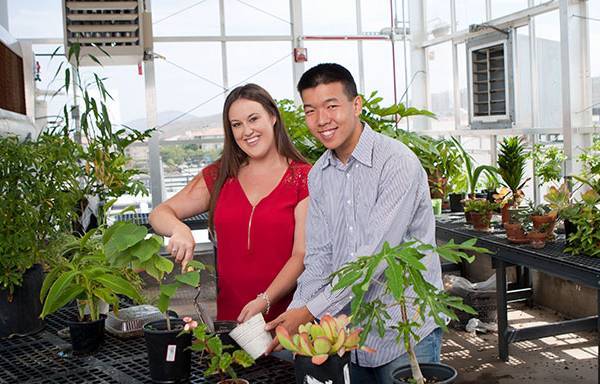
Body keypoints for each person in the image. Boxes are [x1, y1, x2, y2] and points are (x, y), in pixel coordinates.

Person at [264, 63, 443, 383]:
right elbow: (319, 256)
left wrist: (309, 312)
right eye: (310, 110)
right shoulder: (319, 175)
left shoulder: (396, 163)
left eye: (331, 106)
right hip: (348, 337)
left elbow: (373, 257)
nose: (321, 120)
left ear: (356, 105)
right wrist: (297, 312)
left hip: (404, 331)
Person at [149, 84, 311, 324]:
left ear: (273, 117)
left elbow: (301, 254)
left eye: (253, 119)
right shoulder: (220, 175)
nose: (247, 131)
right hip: (231, 320)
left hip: (286, 319)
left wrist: (265, 300)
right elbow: (160, 213)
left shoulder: (303, 177)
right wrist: (179, 228)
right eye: (237, 125)